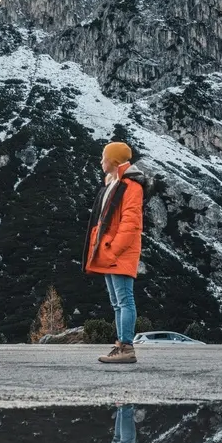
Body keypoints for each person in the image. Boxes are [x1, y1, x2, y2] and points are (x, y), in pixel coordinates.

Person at [83, 141, 146, 365]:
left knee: (124, 300)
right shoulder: (114, 184)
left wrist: (113, 249)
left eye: (104, 157)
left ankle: (126, 347)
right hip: (110, 252)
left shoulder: (131, 187)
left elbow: (131, 223)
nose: (101, 161)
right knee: (117, 302)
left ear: (114, 160)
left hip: (118, 253)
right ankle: (121, 344)